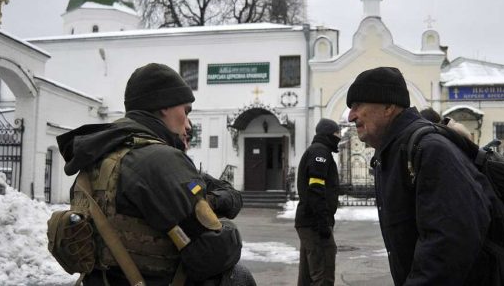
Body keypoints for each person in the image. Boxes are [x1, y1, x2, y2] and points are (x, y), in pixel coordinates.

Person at [57, 63, 253, 286]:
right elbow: (211, 255)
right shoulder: (159, 159)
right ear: (164, 106)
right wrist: (228, 229)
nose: (188, 124)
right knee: (239, 277)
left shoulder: (101, 155)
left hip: (104, 280)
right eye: (186, 111)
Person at [345, 67, 504, 285]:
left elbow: (451, 242)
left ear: (389, 106)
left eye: (357, 105)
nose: (351, 116)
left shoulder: (429, 150)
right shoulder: (393, 153)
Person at [294, 118, 341, 286]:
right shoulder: (320, 152)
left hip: (308, 222)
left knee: (307, 277)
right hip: (315, 223)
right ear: (328, 135)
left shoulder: (317, 151)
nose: (339, 138)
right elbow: (316, 188)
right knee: (323, 275)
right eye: (337, 134)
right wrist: (323, 222)